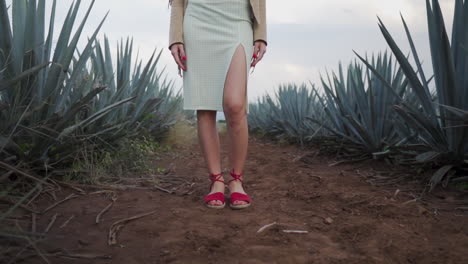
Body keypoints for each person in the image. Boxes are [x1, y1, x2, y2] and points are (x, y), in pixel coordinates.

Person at [168, 0, 267, 209]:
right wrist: (175, 37)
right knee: (205, 106)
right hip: (198, 21)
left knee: (235, 105)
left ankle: (236, 179)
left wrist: (261, 34)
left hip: (238, 20)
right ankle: (216, 181)